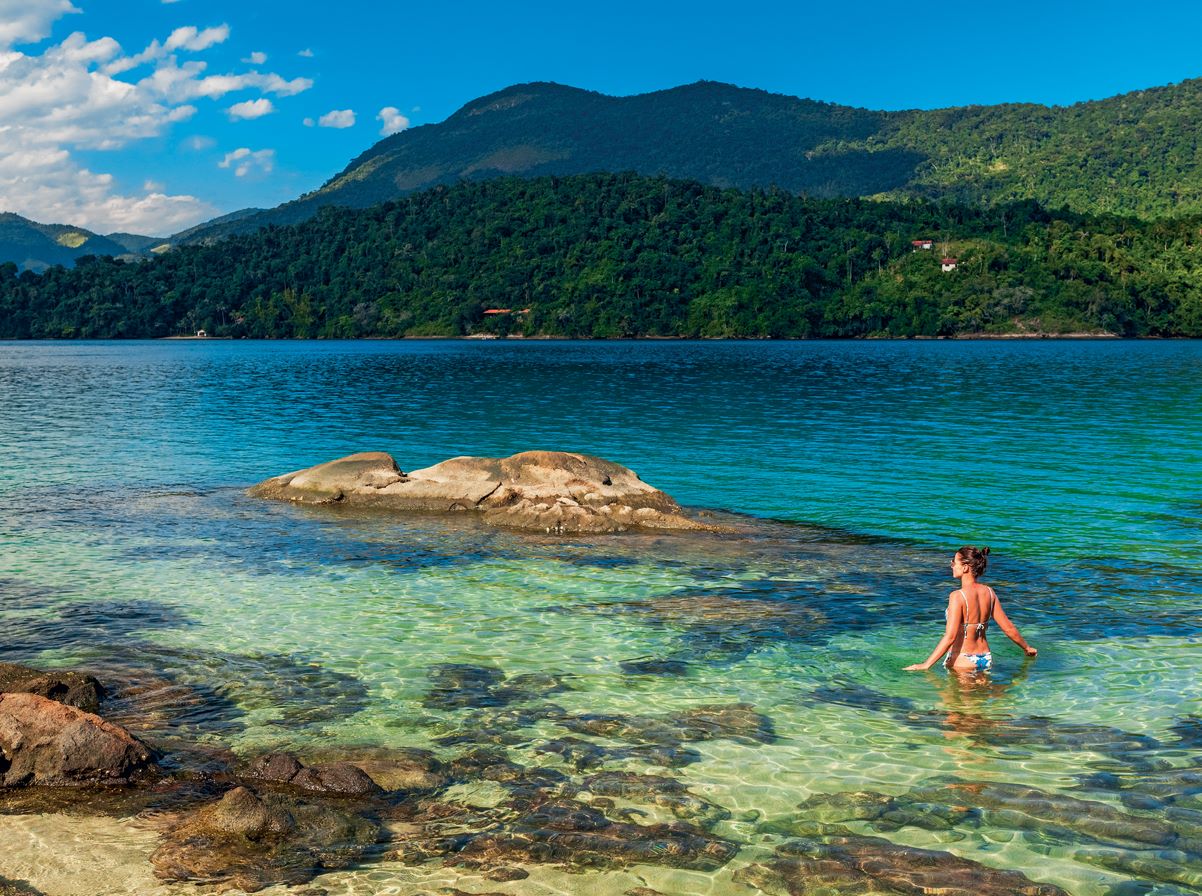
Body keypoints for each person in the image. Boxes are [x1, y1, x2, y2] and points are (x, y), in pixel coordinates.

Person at [904, 546, 1037, 673]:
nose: (952, 566)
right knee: (981, 697)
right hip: (986, 658)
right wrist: (1026, 647)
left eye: (954, 562)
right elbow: (1008, 628)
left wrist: (926, 664)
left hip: (963, 660)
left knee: (951, 697)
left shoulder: (957, 596)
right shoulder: (990, 593)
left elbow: (950, 637)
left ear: (965, 567)